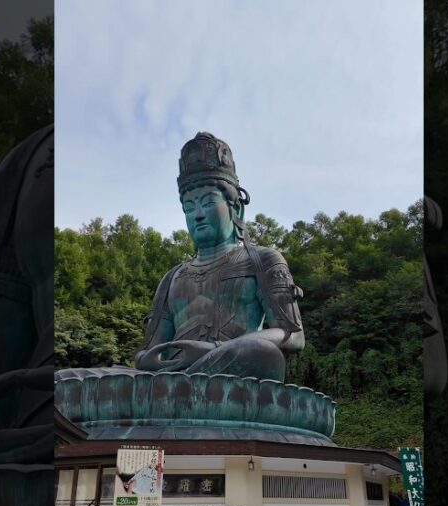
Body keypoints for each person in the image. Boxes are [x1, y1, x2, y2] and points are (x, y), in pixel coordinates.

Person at [56, 132, 305, 384]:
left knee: (262, 354)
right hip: (171, 378)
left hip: (230, 367)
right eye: (188, 206)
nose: (197, 214)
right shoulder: (172, 277)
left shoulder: (262, 260)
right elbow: (147, 353)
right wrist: (149, 359)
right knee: (67, 379)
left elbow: (292, 335)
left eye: (207, 203)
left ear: (236, 207)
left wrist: (215, 349)